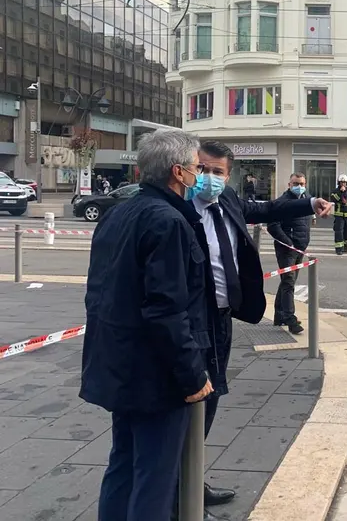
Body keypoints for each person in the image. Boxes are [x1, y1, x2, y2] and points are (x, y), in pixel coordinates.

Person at [191, 141, 331, 518]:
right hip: (190, 322)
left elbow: (264, 209)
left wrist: (307, 202)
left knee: (211, 400)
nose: (208, 178)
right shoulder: (178, 208)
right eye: (202, 169)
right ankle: (179, 498)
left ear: (227, 175)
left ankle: (190, 482)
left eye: (217, 172)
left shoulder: (228, 200)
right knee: (188, 404)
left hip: (220, 319)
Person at [80, 129, 214, 521]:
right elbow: (167, 310)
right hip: (155, 373)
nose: (199, 176)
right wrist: (192, 376)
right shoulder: (168, 222)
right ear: (178, 172)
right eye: (196, 168)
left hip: (117, 363)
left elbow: (100, 292)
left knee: (122, 463)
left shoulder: (118, 214)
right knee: (155, 476)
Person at [268, 172, 313, 334]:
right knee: (288, 281)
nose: (298, 186)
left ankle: (279, 315)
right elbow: (272, 225)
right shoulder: (282, 202)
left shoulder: (306, 199)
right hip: (286, 249)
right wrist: (288, 243)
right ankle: (290, 318)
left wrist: (303, 243)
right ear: (289, 184)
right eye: (295, 183)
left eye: (301, 183)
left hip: (300, 248)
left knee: (288, 281)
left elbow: (306, 222)